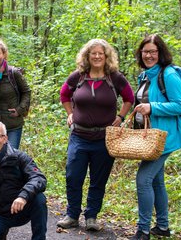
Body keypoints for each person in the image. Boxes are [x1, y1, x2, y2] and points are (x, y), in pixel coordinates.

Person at [57, 39, 134, 231]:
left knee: (99, 179)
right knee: (73, 176)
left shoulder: (115, 78)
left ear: (106, 56)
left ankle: (91, 216)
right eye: (94, 53)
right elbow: (64, 95)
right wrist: (70, 114)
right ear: (87, 56)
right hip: (79, 136)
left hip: (104, 138)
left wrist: (120, 117)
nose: (97, 56)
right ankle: (72, 214)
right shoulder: (78, 77)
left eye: (101, 53)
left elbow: (129, 98)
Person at [129, 34, 181, 240]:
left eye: (153, 51)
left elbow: (180, 105)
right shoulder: (145, 75)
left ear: (160, 53)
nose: (148, 55)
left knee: (143, 180)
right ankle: (162, 226)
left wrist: (151, 107)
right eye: (145, 51)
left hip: (165, 137)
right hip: (150, 139)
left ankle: (143, 230)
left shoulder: (169, 74)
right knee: (156, 181)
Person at [0, 40, 31, 149]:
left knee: (10, 157)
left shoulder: (14, 73)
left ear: (4, 54)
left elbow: (26, 92)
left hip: (12, 123)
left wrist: (20, 110)